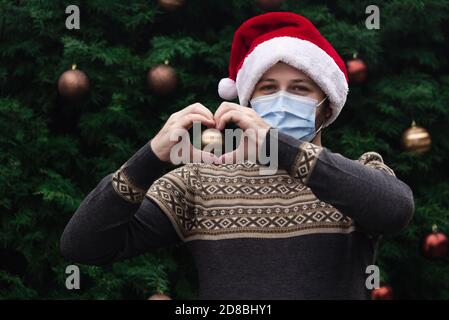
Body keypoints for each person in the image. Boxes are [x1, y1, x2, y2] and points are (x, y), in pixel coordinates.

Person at [60, 12, 414, 299]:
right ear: (248, 103)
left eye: (300, 89)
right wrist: (150, 157)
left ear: (325, 107)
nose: (281, 99)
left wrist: (280, 148)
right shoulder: (199, 183)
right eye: (268, 88)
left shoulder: (354, 175)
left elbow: (395, 209)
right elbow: (83, 246)